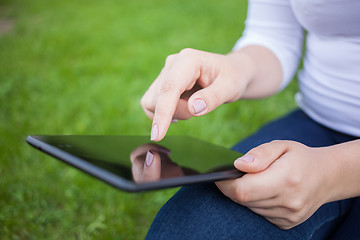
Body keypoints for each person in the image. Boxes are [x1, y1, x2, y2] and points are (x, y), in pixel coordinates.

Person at [140, 0, 360, 239]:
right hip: (321, 122)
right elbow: (274, 36)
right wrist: (235, 68)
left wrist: (336, 172)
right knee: (186, 231)